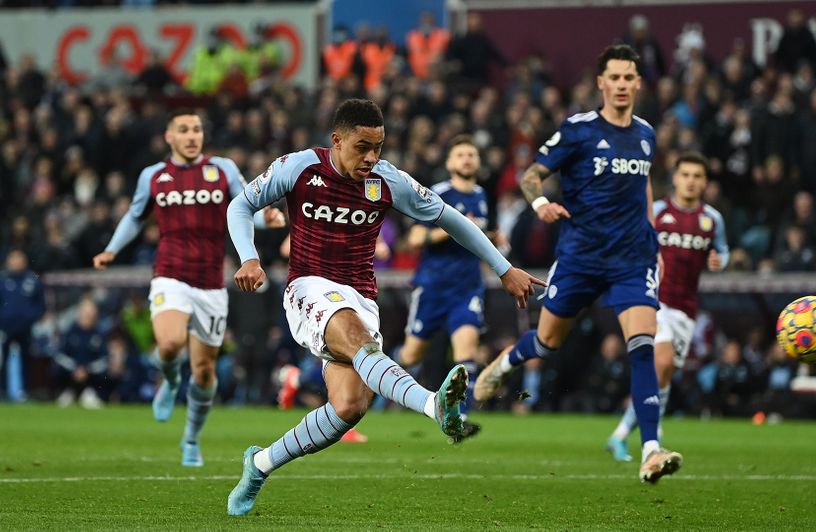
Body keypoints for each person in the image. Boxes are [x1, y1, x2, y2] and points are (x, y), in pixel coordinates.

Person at [225, 98, 543, 516]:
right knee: (359, 343)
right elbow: (240, 205)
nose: (371, 157)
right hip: (308, 287)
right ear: (337, 141)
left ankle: (260, 463)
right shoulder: (298, 167)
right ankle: (434, 405)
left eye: (378, 147)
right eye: (362, 147)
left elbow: (453, 220)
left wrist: (503, 268)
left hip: (360, 296)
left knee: (349, 408)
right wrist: (249, 256)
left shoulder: (387, 181)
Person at [472, 44, 683, 483]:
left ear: (638, 84)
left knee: (642, 345)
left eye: (630, 77)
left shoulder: (646, 133)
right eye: (616, 78)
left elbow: (642, 188)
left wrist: (652, 237)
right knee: (547, 343)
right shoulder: (578, 130)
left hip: (631, 257)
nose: (623, 85)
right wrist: (543, 202)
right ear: (601, 83)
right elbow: (532, 176)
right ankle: (504, 363)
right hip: (581, 256)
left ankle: (650, 448)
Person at [93, 109, 285, 467]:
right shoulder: (153, 176)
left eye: (197, 129)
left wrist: (266, 216)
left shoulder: (223, 169)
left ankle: (191, 439)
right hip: (169, 273)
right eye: (184, 130)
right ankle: (169, 378)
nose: (192, 135)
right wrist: (111, 249)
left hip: (211, 282)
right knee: (168, 344)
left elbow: (247, 205)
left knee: (204, 372)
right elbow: (136, 217)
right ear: (169, 137)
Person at [605, 152, 729, 461]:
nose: (690, 181)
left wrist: (719, 261)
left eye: (697, 176)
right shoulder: (657, 211)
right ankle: (653, 438)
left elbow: (723, 251)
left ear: (705, 183)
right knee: (659, 363)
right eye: (685, 174)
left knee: (663, 375)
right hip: (651, 300)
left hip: (686, 310)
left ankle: (620, 435)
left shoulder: (712, 219)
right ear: (675, 178)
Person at [398, 134, 490, 443]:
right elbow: (413, 239)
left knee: (466, 353)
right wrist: (455, 227)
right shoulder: (436, 194)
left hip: (467, 287)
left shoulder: (481, 195)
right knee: (410, 354)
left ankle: (458, 420)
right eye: (461, 154)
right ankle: (367, 398)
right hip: (433, 287)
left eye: (471, 154)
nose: (467, 159)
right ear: (449, 163)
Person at [0, 249, 45, 402]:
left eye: (19, 258)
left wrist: (31, 318)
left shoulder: (32, 279)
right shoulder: (2, 280)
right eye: (13, 258)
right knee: (2, 360)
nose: (16, 262)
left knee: (28, 360)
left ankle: (26, 391)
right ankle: (3, 391)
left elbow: (40, 304)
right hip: (5, 328)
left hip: (27, 328)